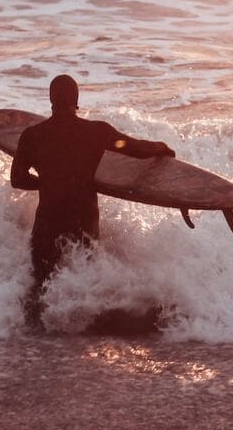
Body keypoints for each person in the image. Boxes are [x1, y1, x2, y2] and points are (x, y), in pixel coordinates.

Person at [10, 74, 175, 328]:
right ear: (76, 100)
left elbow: (18, 180)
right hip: (82, 219)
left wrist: (47, 182)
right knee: (88, 279)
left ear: (51, 99)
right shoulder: (96, 132)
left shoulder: (33, 136)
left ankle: (36, 342)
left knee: (40, 284)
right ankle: (90, 327)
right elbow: (134, 148)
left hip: (48, 221)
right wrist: (160, 147)